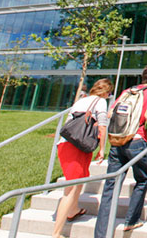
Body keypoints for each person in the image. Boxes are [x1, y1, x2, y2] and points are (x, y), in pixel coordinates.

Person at [94, 64, 147, 236]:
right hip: (136, 141)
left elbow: (110, 114)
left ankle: (101, 233)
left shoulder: (128, 91)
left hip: (117, 142)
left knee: (110, 186)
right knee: (142, 179)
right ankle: (130, 221)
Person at [53, 78, 112, 238]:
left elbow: (69, 125)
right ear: (106, 92)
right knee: (71, 188)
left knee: (79, 180)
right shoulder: (100, 102)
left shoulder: (81, 101)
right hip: (77, 148)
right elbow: (102, 126)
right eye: (109, 93)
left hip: (67, 144)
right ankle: (57, 233)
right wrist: (102, 149)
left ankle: (73, 210)